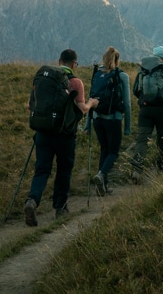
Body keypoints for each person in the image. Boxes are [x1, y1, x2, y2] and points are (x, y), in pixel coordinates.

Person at [24, 49, 99, 226]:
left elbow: (30, 105)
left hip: (43, 132)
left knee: (42, 170)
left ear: (59, 61)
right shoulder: (76, 82)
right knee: (64, 170)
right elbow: (81, 109)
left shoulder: (44, 79)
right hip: (65, 135)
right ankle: (60, 208)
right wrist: (92, 103)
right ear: (74, 64)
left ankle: (32, 201)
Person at [88, 46, 131, 196]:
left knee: (104, 150)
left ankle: (103, 186)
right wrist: (127, 127)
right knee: (113, 152)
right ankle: (101, 175)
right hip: (113, 119)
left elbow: (91, 98)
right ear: (117, 60)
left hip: (97, 118)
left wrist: (87, 124)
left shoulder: (97, 74)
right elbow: (127, 103)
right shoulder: (121, 75)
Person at [130, 46, 163, 183]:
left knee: (142, 140)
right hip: (161, 110)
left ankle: (136, 170)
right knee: (162, 137)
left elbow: (135, 91)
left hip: (145, 110)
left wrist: (144, 100)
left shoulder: (143, 69)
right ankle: (161, 165)